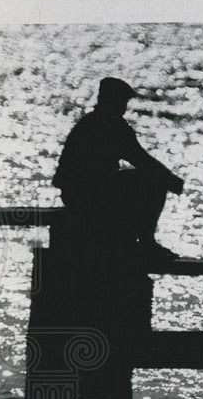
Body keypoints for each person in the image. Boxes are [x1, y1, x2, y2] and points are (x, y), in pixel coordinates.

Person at [52, 77, 184, 261]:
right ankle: (147, 242)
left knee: (143, 180)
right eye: (122, 102)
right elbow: (142, 160)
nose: (124, 107)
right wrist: (170, 179)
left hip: (74, 193)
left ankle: (138, 241)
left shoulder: (89, 122)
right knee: (155, 182)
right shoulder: (112, 127)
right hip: (88, 195)